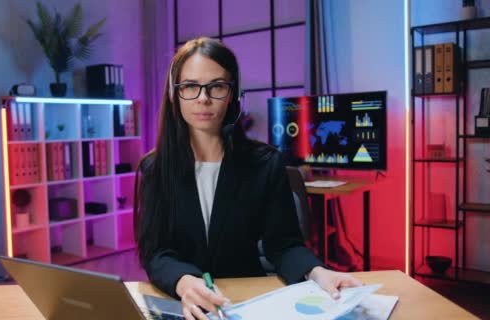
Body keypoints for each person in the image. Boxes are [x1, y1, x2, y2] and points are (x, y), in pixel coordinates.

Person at [134, 37, 362, 320]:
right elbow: (155, 252)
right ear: (174, 94)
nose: (203, 98)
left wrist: (317, 273)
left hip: (247, 303)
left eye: (216, 86)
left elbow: (284, 245)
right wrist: (184, 282)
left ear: (233, 94)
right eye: (191, 86)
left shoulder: (265, 164)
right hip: (183, 303)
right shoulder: (155, 169)